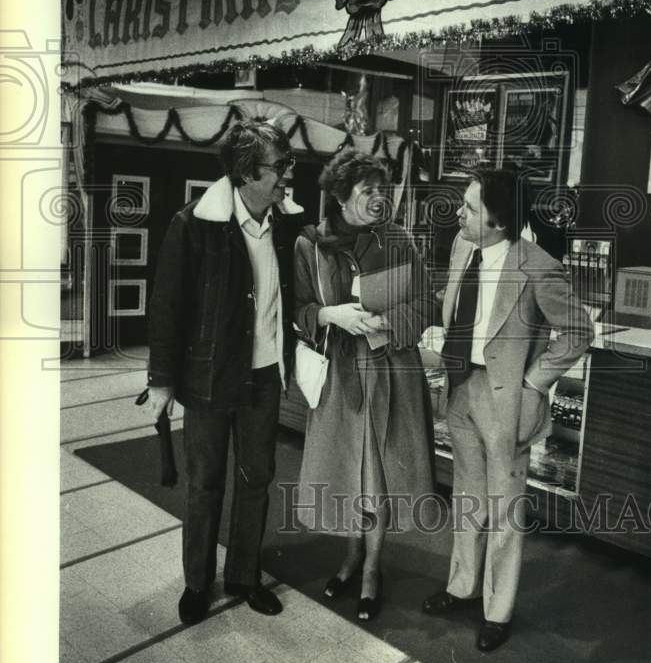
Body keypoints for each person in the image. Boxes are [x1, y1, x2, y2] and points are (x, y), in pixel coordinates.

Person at [422, 167, 593, 651]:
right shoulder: (462, 247)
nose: (459, 212)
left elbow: (579, 332)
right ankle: (461, 586)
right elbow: (459, 307)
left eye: (471, 207)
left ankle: (498, 611)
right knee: (466, 499)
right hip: (461, 391)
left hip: (506, 401)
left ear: (497, 221)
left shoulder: (539, 268)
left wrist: (534, 384)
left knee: (504, 509)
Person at [146, 119, 303, 625]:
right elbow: (168, 306)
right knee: (205, 482)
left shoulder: (286, 225)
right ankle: (197, 582)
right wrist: (161, 381)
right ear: (246, 173)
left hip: (262, 376)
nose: (286, 177)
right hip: (209, 376)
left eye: (287, 165)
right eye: (279, 167)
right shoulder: (193, 224)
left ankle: (243, 574)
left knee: (257, 476)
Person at [293, 149, 437, 622]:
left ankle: (372, 567)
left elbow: (424, 305)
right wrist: (328, 314)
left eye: (384, 188)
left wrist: (384, 323)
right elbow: (297, 309)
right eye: (369, 190)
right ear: (339, 196)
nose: (381, 198)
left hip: (391, 371)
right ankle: (352, 554)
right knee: (346, 472)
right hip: (339, 372)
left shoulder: (400, 240)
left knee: (376, 476)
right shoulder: (310, 244)